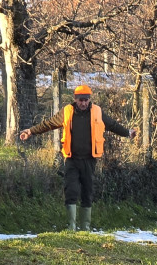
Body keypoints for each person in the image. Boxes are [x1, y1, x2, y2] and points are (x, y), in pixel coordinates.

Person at [19, 85, 137, 231]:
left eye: (86, 100)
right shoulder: (67, 112)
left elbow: (112, 125)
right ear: (75, 99)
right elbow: (48, 124)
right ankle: (71, 226)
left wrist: (127, 133)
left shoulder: (97, 112)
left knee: (87, 192)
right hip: (72, 159)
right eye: (81, 100)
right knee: (71, 191)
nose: (83, 103)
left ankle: (85, 227)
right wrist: (31, 131)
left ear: (89, 100)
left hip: (89, 159)